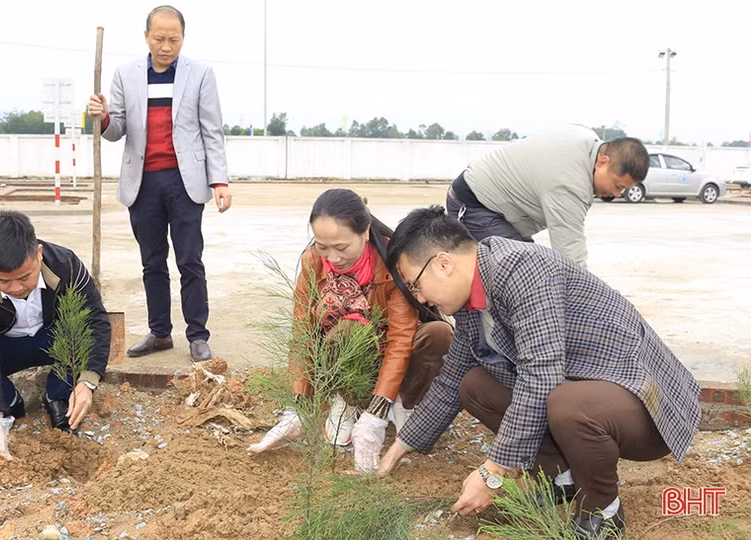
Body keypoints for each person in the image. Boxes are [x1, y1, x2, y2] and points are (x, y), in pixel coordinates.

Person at [379, 206, 701, 539]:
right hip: (588, 396)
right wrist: (393, 453)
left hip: (646, 409)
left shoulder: (521, 268)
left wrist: (492, 473)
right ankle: (561, 480)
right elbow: (449, 383)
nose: (420, 299)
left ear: (443, 264)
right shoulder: (472, 304)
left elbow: (541, 375)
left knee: (565, 403)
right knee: (473, 385)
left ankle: (602, 513)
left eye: (415, 286)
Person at [247, 189, 453, 473]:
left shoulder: (392, 261)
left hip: (393, 360)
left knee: (439, 334)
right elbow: (302, 335)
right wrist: (297, 407)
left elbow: (400, 340)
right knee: (345, 332)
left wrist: (376, 418)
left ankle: (403, 404)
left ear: (366, 231)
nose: (333, 257)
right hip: (344, 363)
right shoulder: (312, 262)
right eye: (322, 246)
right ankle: (347, 401)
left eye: (341, 248)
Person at [87, 5, 230, 363]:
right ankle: (160, 332)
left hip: (186, 182)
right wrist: (102, 115)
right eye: (160, 38)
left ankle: (197, 335)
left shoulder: (200, 75)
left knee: (190, 261)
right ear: (147, 36)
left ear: (183, 38)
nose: (167, 46)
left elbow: (212, 132)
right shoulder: (126, 75)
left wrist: (220, 181)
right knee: (152, 262)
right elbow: (116, 129)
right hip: (143, 183)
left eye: (174, 39)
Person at [0, 210, 111, 473]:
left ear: (38, 254)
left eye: (24, 277)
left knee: (81, 333)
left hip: (55, 340)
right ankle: (11, 404)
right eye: (3, 280)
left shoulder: (66, 265)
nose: (15, 288)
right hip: (7, 346)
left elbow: (97, 321)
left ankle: (59, 395)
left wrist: (88, 381)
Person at [446, 124, 650, 267]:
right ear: (603, 161)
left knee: (534, 269)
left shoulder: (585, 140)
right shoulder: (570, 181)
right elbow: (571, 255)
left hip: (501, 211)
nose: (616, 194)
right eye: (617, 185)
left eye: (623, 190)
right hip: (475, 205)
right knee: (517, 276)